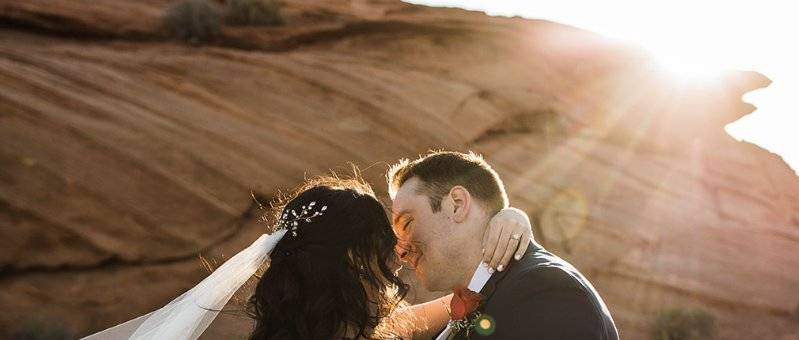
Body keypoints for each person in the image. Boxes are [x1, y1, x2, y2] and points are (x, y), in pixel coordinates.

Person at [81, 173, 532, 339]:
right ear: (348, 261)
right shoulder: (346, 328)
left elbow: (462, 303)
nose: (396, 260)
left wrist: (508, 219)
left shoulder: (360, 325)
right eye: (377, 254)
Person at [388, 151, 619, 339]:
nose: (401, 251)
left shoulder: (546, 291)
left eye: (407, 223)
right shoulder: (479, 302)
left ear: (457, 205)